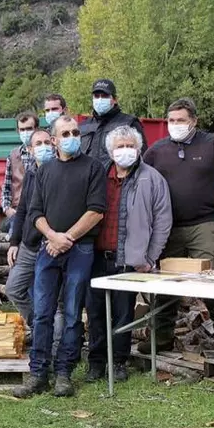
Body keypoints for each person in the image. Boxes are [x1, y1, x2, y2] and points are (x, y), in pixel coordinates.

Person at [143, 97, 214, 366]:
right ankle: (161, 336)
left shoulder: (212, 144)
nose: (176, 125)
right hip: (168, 227)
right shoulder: (157, 151)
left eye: (181, 120)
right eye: (171, 120)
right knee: (166, 285)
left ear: (193, 120)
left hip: (203, 224)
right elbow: (139, 177)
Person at [13, 116, 106, 398]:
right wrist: (53, 237)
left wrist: (67, 239)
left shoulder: (93, 167)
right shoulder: (44, 171)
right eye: (65, 133)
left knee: (73, 313)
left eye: (75, 132)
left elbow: (96, 211)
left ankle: (64, 372)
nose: (72, 136)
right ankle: (38, 374)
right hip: (48, 247)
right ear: (54, 139)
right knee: (42, 313)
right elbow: (35, 212)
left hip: (81, 249)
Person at [85, 126, 173, 384]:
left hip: (130, 261)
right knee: (96, 311)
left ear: (139, 148)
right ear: (110, 151)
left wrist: (150, 257)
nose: (125, 151)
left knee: (124, 313)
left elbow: (163, 221)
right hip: (97, 256)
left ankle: (119, 361)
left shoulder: (152, 178)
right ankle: (96, 362)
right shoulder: (97, 175)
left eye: (130, 145)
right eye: (120, 146)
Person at [6, 128, 55, 329]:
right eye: (38, 144)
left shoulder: (59, 172)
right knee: (13, 288)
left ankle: (49, 337)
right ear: (30, 150)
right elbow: (22, 210)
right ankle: (38, 327)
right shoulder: (31, 175)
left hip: (50, 246)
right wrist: (14, 242)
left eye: (47, 143)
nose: (44, 147)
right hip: (28, 244)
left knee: (50, 297)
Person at [80, 79, 147, 167]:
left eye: (105, 96)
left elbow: (141, 156)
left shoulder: (129, 123)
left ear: (115, 99)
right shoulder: (83, 126)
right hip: (87, 178)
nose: (100, 99)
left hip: (116, 179)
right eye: (96, 96)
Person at [0, 112, 38, 231]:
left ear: (36, 129)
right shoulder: (13, 155)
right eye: (22, 129)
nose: (25, 133)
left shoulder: (47, 153)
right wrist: (7, 209)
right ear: (18, 131)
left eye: (29, 129)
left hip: (41, 213)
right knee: (14, 245)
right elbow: (6, 187)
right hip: (17, 213)